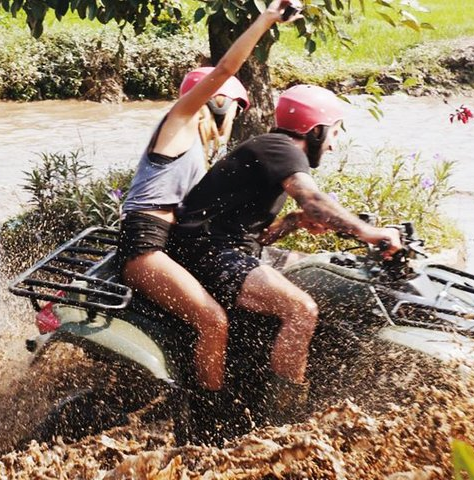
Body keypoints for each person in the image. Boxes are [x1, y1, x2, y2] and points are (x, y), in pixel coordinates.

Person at [170, 84, 403, 421]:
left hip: (229, 249)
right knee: (301, 309)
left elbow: (254, 230)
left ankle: (278, 366)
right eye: (334, 133)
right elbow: (314, 200)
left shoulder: (270, 150)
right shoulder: (280, 148)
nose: (334, 145)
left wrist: (292, 222)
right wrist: (371, 234)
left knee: (315, 272)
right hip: (204, 252)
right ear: (316, 130)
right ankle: (282, 417)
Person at [116, 1, 301, 406]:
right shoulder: (178, 122)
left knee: (235, 313)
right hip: (145, 248)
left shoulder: (198, 155)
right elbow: (224, 71)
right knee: (212, 321)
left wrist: (290, 223)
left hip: (167, 245)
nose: (233, 118)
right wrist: (266, 19)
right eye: (235, 107)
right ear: (219, 103)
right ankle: (209, 414)